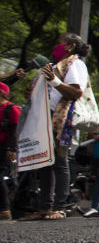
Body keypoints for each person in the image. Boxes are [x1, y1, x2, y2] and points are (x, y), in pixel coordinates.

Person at [21, 33, 90, 221]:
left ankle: (61, 207)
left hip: (59, 119)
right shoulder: (52, 66)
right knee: (44, 163)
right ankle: (44, 208)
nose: (54, 48)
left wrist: (55, 81)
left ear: (69, 47)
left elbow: (76, 92)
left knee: (60, 162)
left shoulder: (75, 64)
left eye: (58, 44)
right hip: (43, 119)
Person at [0, 82, 21, 220]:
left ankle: (4, 209)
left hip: (4, 147)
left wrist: (12, 149)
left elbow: (16, 131)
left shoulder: (11, 109)